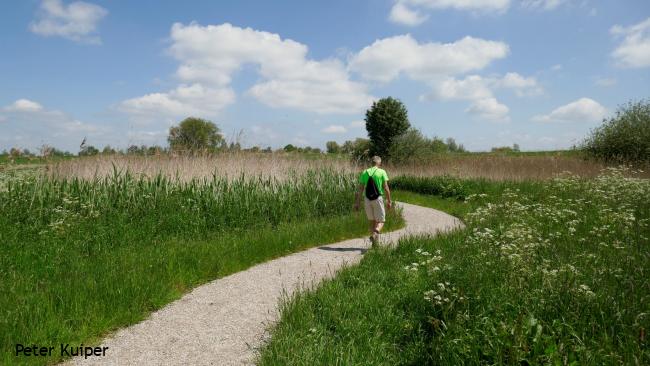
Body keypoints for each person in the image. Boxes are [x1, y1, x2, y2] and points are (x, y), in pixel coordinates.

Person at [354, 155, 391, 246]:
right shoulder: (382, 172)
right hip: (377, 198)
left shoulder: (365, 172)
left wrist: (357, 203)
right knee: (381, 221)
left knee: (372, 221)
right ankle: (376, 232)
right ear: (379, 162)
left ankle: (374, 244)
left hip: (367, 199)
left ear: (371, 163)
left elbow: (360, 189)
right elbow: (386, 187)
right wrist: (389, 201)